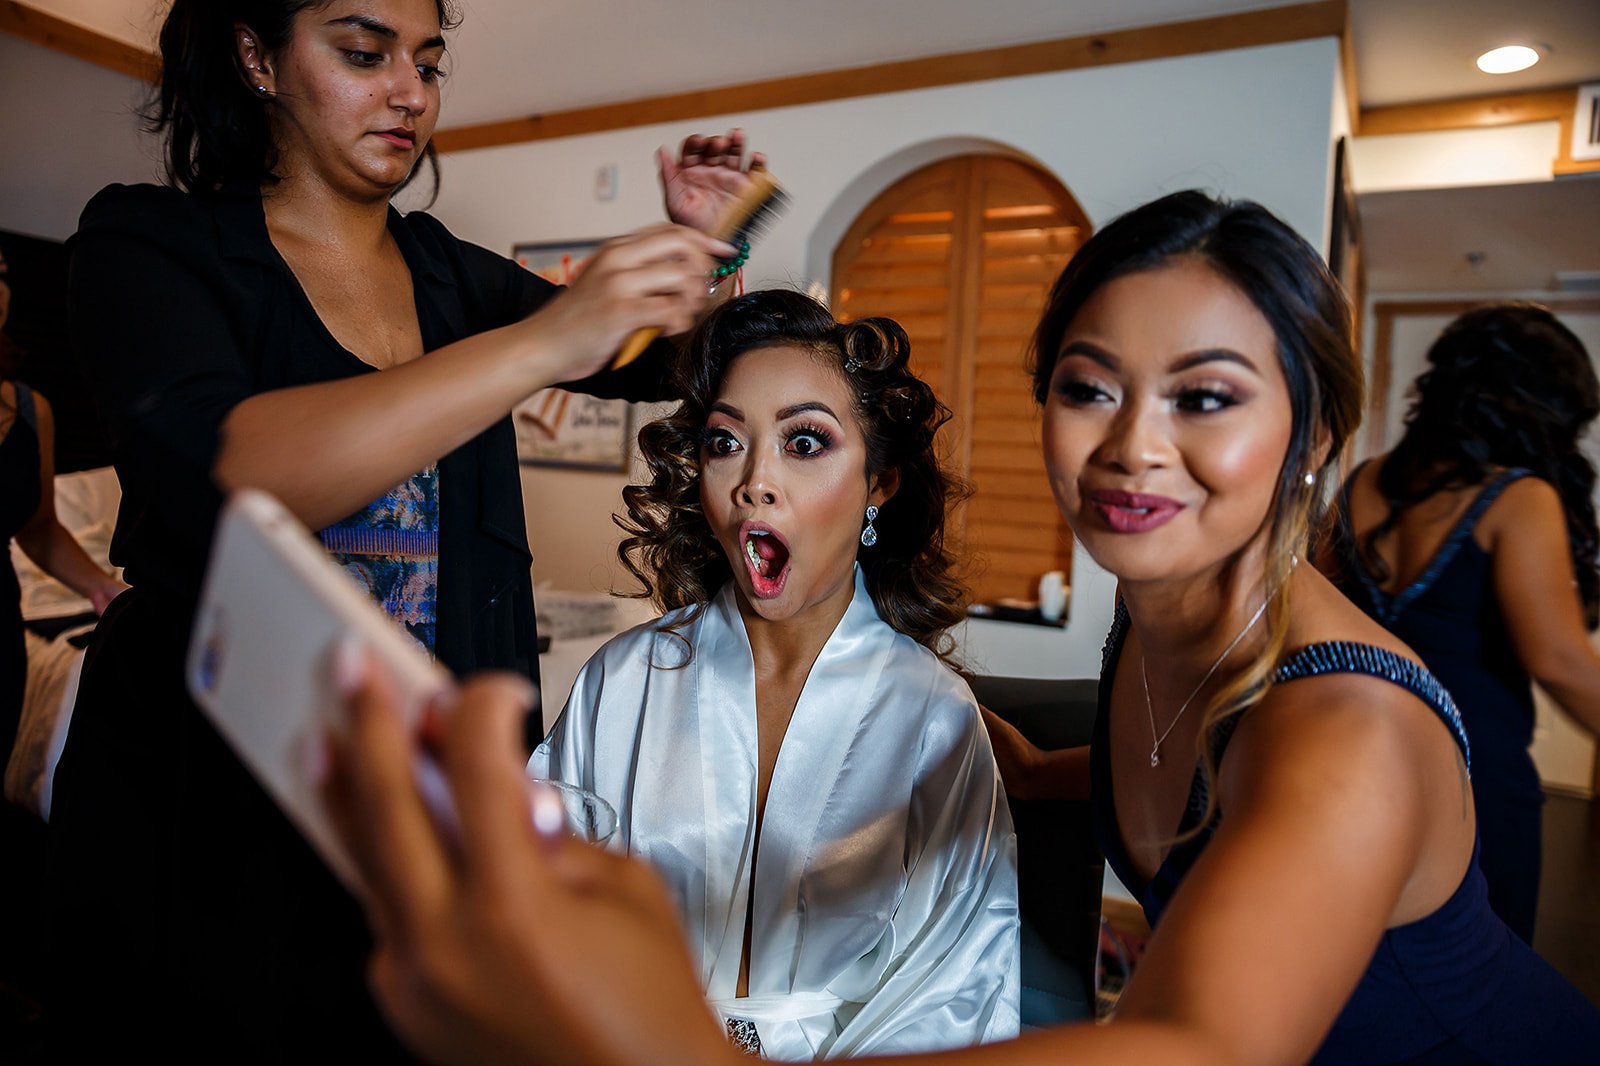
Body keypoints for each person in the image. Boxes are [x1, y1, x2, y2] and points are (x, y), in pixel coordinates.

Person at [322, 191, 1600, 1065]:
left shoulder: (1343, 728)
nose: (1132, 443)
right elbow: (1102, 783)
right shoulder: (1150, 635)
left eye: (1204, 396)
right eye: (1087, 385)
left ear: (1315, 436)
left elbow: (1189, 1047)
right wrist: (1010, 764)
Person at [45, 0, 765, 1059]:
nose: (410, 92)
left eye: (427, 62)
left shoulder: (448, 274)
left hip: (426, 811)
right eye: (361, 52)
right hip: (207, 811)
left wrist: (705, 248)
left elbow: (661, 362)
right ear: (257, 56)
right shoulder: (148, 244)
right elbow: (232, 466)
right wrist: (542, 343)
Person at [530, 290, 1019, 1058]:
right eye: (726, 443)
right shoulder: (621, 684)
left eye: (804, 443)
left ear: (879, 484)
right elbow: (539, 922)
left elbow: (951, 999)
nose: (755, 478)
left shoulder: (933, 716)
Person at [1323, 304, 1600, 942]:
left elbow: (1320, 617)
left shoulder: (1362, 483)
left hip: (1357, 772)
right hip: (1476, 789)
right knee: (1479, 990)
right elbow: (1560, 661)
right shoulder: (1521, 498)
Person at [0, 245, 127, 1036]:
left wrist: (104, 590)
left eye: (3, 276)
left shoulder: (29, 406)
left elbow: (40, 530)